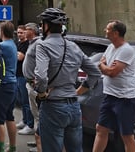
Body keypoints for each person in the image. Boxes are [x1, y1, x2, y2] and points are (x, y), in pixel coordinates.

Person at [34, 8, 101, 152]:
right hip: (73, 105)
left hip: (53, 105)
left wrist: (41, 93)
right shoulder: (73, 46)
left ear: (47, 26)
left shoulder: (43, 45)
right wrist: (79, 91)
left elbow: (41, 77)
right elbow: (95, 72)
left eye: (42, 24)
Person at [92, 20, 135, 152]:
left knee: (126, 136)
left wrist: (104, 66)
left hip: (125, 99)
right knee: (101, 128)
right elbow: (103, 65)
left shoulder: (126, 50)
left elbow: (112, 72)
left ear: (116, 33)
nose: (105, 31)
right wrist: (104, 66)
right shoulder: (110, 47)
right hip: (110, 96)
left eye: (108, 29)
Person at [0, 21, 17, 152]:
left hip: (3, 85)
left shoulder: (3, 46)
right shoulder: (12, 44)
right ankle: (12, 147)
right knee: (9, 117)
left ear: (1, 32)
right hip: (12, 84)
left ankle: (0, 149)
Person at [22, 22, 42, 152]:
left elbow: (41, 63)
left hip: (34, 85)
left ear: (33, 31)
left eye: (27, 29)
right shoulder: (31, 43)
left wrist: (37, 80)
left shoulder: (38, 44)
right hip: (29, 83)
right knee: (35, 114)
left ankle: (41, 143)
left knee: (39, 115)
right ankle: (37, 141)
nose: (24, 32)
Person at [15, 25, 35, 135]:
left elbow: (20, 57)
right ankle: (24, 120)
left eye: (22, 32)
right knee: (21, 100)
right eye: (18, 33)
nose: (19, 34)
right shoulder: (18, 44)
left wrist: (15, 53)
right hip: (17, 74)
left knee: (26, 102)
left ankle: (30, 125)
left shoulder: (27, 45)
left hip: (24, 76)